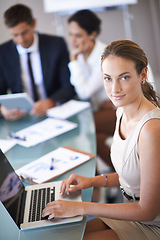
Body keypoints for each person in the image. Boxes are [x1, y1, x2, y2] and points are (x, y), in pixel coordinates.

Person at [42, 40, 160, 240]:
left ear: (143, 75)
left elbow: (147, 210)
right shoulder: (121, 111)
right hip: (132, 214)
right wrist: (92, 181)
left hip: (151, 224)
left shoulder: (151, 129)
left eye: (124, 77)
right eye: (107, 78)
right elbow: (135, 176)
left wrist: (81, 207)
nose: (114, 88)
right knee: (61, 234)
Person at [0, 4, 75, 120]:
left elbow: (69, 85)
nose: (21, 40)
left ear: (33, 24)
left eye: (24, 32)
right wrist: (2, 109)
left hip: (54, 112)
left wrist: (50, 102)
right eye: (15, 35)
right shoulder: (3, 53)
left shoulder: (56, 45)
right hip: (22, 117)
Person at [67, 9, 116, 170]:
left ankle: (122, 179)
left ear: (92, 34)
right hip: (102, 110)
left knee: (83, 128)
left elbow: (84, 92)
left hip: (120, 109)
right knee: (97, 138)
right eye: (71, 34)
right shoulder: (81, 54)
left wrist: (73, 60)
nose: (73, 40)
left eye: (78, 35)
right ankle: (121, 178)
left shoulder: (104, 55)